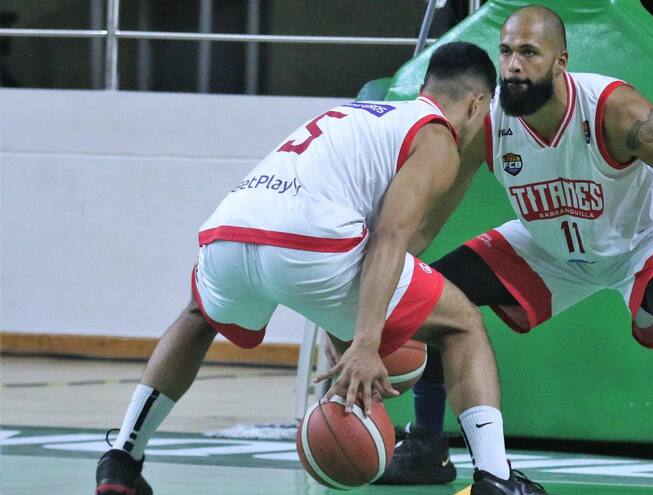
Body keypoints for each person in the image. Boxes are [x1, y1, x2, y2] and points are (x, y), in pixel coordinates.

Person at [377, 6, 653, 495]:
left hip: (644, 237)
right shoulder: (489, 123)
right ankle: (428, 446)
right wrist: (389, 276)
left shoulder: (617, 111)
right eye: (507, 52)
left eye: (529, 53)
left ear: (561, 62)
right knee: (434, 293)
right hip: (549, 243)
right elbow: (433, 216)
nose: (513, 65)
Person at [95, 42, 547, 495]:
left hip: (228, 232)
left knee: (198, 315)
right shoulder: (435, 137)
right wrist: (367, 343)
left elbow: (344, 249)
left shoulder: (360, 115)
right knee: (463, 323)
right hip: (309, 245)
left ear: (427, 85)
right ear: (478, 103)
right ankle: (495, 478)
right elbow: (389, 239)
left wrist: (346, 329)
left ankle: (122, 459)